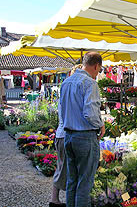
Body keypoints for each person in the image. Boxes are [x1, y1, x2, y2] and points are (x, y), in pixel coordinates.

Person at [60, 52, 105, 207]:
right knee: (84, 184)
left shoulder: (66, 82)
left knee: (72, 181)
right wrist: (100, 124)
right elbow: (90, 113)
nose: (98, 72)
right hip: (85, 137)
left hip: (69, 136)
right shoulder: (90, 83)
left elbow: (62, 110)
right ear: (96, 65)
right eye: (99, 69)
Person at [49, 64, 83, 207]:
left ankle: (57, 199)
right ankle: (54, 199)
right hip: (64, 135)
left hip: (61, 134)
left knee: (64, 167)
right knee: (62, 168)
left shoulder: (65, 90)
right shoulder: (70, 93)